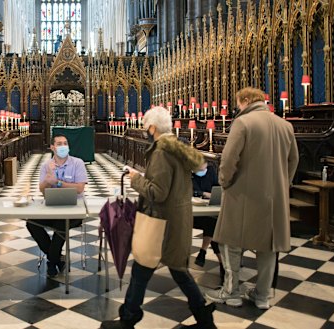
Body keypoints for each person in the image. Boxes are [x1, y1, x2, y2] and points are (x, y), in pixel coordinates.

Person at [101, 107, 215, 329]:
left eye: (146, 128)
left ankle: (129, 319)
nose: (145, 131)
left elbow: (157, 192)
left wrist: (135, 178)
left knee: (148, 269)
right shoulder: (177, 148)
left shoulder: (162, 152)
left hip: (160, 222)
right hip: (174, 219)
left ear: (152, 128)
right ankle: (204, 319)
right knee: (170, 270)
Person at [205, 87, 299, 310]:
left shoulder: (243, 123)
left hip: (242, 195)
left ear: (246, 100)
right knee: (268, 246)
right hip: (274, 198)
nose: (237, 108)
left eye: (238, 104)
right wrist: (283, 185)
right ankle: (263, 296)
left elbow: (228, 160)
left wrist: (225, 182)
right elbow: (294, 160)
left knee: (230, 242)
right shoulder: (285, 125)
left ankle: (231, 292)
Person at [27, 134, 88, 277]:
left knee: (62, 223)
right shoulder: (46, 165)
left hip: (74, 210)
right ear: (52, 147)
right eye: (59, 144)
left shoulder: (77, 163)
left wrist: (58, 182)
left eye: (65, 143)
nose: (63, 146)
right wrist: (48, 179)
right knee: (31, 223)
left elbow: (79, 188)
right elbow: (42, 191)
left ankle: (52, 261)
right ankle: (55, 258)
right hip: (51, 208)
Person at [192, 162, 224, 282]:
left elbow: (217, 188)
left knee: (212, 222)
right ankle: (222, 263)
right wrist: (204, 194)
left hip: (208, 210)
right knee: (212, 224)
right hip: (195, 215)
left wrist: (213, 195)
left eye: (204, 165)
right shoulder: (189, 176)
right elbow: (191, 191)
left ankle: (203, 252)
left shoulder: (210, 172)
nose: (203, 169)